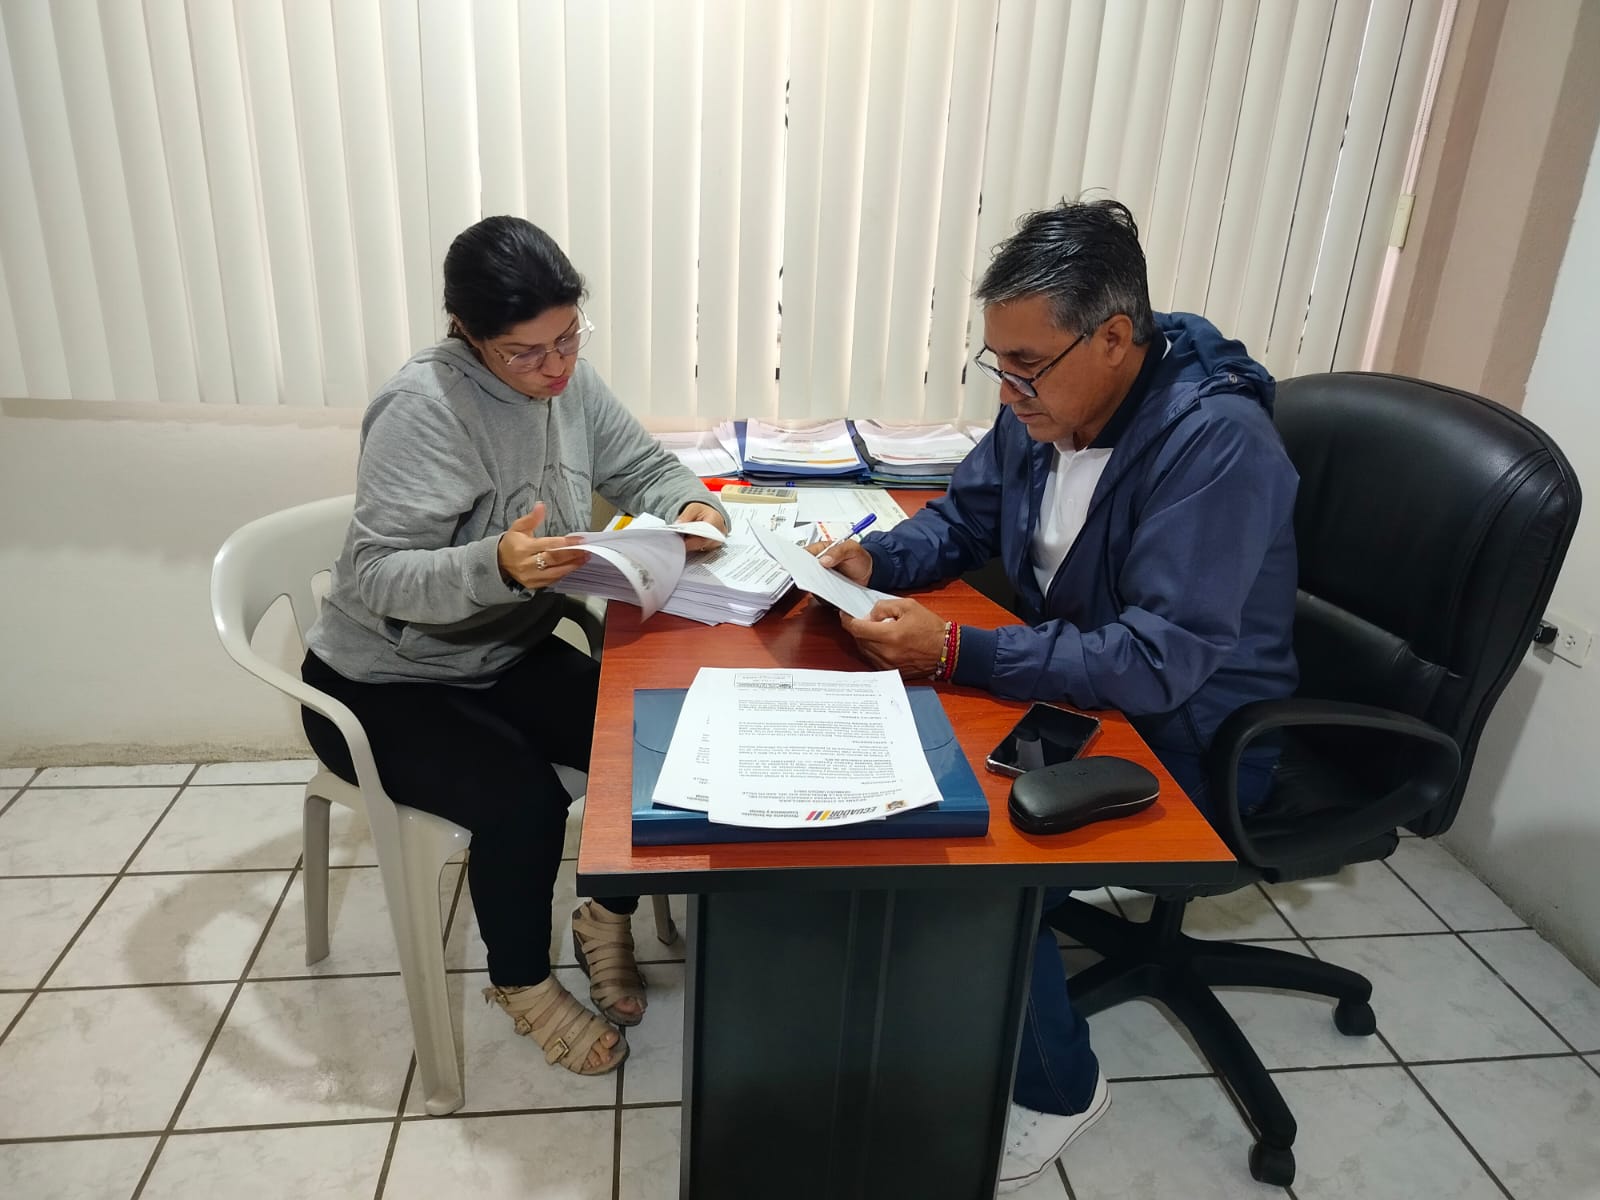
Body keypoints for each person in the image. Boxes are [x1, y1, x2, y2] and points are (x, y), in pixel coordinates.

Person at [816, 199, 1298, 1189]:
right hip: (1090, 697)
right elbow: (963, 520)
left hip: (1193, 738)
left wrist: (959, 648)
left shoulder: (1217, 444)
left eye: (1026, 366)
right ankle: (955, 1002)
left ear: (1114, 340)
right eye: (996, 362)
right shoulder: (1045, 407)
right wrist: (875, 559)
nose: (1008, 391)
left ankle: (1059, 1087)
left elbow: (1158, 658)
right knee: (902, 800)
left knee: (975, 868)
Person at [300, 215, 727, 1076]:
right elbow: (378, 575)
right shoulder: (423, 408)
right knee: (523, 803)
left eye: (568, 337)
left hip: (504, 654)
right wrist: (494, 563)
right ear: (466, 330)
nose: (555, 367)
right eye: (524, 353)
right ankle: (521, 981)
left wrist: (693, 508)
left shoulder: (569, 380)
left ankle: (603, 914)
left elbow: (645, 468)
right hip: (386, 680)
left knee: (651, 744)